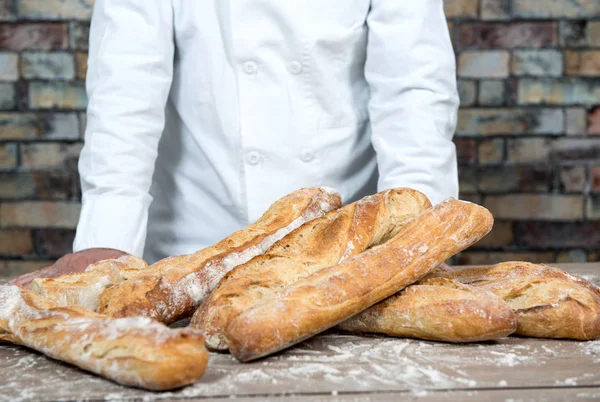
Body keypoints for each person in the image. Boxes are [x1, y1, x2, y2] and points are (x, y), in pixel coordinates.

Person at [10, 1, 459, 286]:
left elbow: (413, 90)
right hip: (192, 252)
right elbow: (125, 90)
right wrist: (107, 236)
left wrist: (420, 240)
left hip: (348, 250)